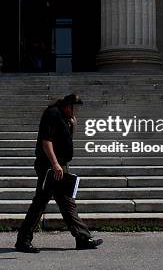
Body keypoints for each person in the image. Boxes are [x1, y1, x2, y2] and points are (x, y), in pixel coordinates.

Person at [15, 94, 103, 253]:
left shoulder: (65, 117)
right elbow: (46, 141)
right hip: (50, 166)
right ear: (67, 105)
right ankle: (23, 241)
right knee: (40, 202)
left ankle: (82, 238)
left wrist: (72, 126)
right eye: (75, 108)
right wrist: (55, 164)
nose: (76, 112)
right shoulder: (53, 114)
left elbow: (64, 141)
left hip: (61, 166)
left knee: (67, 202)